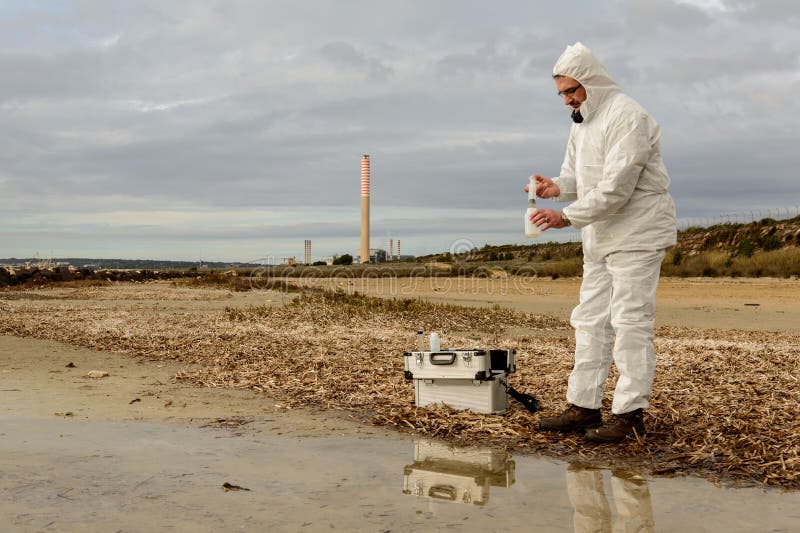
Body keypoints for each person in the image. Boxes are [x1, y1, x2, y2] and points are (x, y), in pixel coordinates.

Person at [527, 42, 677, 442]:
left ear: (592, 82)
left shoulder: (628, 117)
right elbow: (577, 179)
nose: (567, 100)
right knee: (590, 319)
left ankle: (629, 414)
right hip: (600, 237)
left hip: (638, 233)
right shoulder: (581, 123)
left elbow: (617, 188)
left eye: (572, 90)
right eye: (561, 93)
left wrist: (567, 216)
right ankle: (584, 406)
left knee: (630, 322)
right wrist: (555, 188)